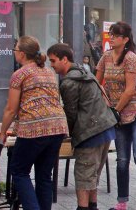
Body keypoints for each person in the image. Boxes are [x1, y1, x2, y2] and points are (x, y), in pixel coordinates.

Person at [0, 36, 69, 210]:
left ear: (22, 54)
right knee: (44, 176)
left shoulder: (19, 75)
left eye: (15, 50)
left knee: (19, 171)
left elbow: (11, 109)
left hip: (33, 128)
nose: (14, 53)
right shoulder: (48, 72)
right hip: (57, 127)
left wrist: (2, 133)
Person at [47, 43, 117, 210]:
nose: (52, 65)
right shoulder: (84, 72)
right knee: (92, 175)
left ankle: (84, 207)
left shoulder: (69, 83)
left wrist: (63, 135)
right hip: (105, 128)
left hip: (90, 133)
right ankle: (93, 206)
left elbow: (70, 114)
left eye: (53, 61)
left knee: (83, 176)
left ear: (64, 59)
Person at [96, 21, 136, 210]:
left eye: (115, 35)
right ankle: (122, 202)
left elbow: (130, 90)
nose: (111, 38)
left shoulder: (130, 58)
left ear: (126, 39)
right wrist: (104, 102)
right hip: (119, 114)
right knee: (121, 159)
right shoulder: (105, 57)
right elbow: (96, 83)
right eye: (110, 34)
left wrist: (114, 110)